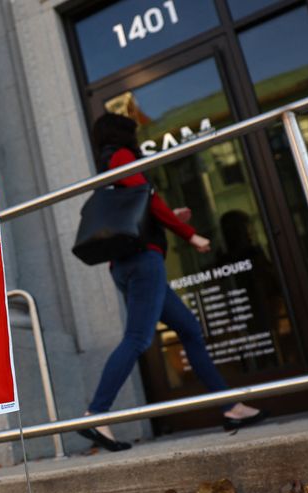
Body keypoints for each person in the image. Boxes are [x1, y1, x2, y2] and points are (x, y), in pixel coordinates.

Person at [78, 113, 266, 452]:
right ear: (123, 134)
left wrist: (168, 219)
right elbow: (147, 198)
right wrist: (190, 234)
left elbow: (137, 207)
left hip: (124, 262)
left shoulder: (106, 165)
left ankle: (231, 407)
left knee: (190, 329)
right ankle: (96, 414)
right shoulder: (121, 157)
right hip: (143, 261)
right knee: (137, 338)